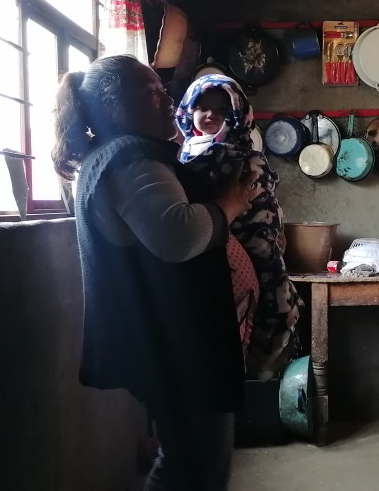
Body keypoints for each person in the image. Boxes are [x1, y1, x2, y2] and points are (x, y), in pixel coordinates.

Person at [51, 54, 260, 491]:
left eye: (163, 91)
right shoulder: (130, 159)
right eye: (152, 92)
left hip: (164, 339)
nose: (168, 101)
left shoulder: (111, 156)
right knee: (199, 468)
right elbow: (178, 236)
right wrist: (230, 203)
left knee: (183, 461)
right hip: (174, 343)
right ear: (114, 106)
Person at [174, 74, 304, 379]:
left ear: (236, 115)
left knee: (267, 287)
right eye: (202, 107)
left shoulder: (243, 154)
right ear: (188, 111)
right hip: (214, 244)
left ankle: (261, 372)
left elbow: (263, 199)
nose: (210, 115)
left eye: (221, 110)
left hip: (250, 236)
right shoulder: (183, 155)